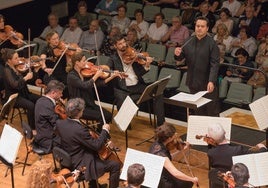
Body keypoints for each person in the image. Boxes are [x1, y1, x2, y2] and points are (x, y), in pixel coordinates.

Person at [56, 98, 121, 188]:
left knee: (91, 151)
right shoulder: (79, 130)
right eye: (82, 110)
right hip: (80, 164)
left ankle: (93, 185)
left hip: (68, 158)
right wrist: (105, 130)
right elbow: (97, 146)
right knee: (115, 165)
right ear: (79, 113)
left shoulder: (60, 123)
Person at [107, 34, 165, 127]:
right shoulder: (113, 59)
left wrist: (146, 65)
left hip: (137, 86)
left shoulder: (132, 53)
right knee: (122, 107)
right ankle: (125, 123)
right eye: (120, 44)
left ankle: (161, 124)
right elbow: (107, 71)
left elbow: (140, 72)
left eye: (124, 42)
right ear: (115, 46)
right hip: (122, 89)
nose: (123, 45)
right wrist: (113, 73)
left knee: (158, 92)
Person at [174, 16, 220, 116]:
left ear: (207, 28)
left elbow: (215, 64)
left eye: (202, 26)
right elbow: (180, 58)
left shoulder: (212, 44)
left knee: (211, 111)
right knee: (198, 110)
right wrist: (177, 53)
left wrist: (211, 81)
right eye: (197, 26)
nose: (199, 28)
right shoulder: (188, 41)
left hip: (207, 83)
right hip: (193, 82)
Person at [67, 52, 120, 131]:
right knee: (102, 117)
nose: (86, 63)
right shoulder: (71, 76)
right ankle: (100, 135)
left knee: (108, 115)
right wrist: (96, 75)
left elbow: (98, 84)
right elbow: (85, 86)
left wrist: (112, 76)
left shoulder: (84, 73)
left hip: (89, 103)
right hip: (79, 107)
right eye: (84, 61)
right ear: (77, 63)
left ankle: (98, 132)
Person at [207, 123, 267, 188]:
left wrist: (209, 144)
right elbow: (257, 156)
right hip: (237, 183)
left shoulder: (211, 153)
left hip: (220, 183)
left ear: (211, 139)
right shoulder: (238, 150)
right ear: (225, 132)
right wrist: (263, 148)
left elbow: (218, 150)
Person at [149, 122, 199, 187]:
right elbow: (175, 173)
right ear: (169, 138)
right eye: (174, 134)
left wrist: (182, 150)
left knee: (184, 180)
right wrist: (192, 179)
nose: (176, 135)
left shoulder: (157, 143)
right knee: (187, 182)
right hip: (160, 181)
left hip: (157, 174)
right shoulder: (161, 154)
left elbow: (168, 158)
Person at [2, 48, 40, 130]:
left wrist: (35, 71)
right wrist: (25, 78)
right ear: (9, 60)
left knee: (41, 99)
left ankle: (39, 121)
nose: (19, 59)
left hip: (25, 93)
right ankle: (32, 129)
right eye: (16, 58)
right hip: (14, 97)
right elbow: (15, 85)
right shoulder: (7, 70)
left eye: (18, 57)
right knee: (31, 106)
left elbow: (31, 81)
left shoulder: (17, 67)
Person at [34, 80, 64, 153]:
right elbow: (57, 125)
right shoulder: (48, 106)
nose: (61, 95)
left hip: (42, 135)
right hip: (48, 141)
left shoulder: (41, 100)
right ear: (53, 93)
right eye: (60, 93)